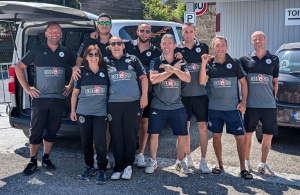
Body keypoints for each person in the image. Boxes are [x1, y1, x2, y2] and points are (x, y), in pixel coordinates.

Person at [15, 22, 75, 175]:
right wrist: (27, 88)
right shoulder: (36, 51)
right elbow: (18, 67)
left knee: (52, 131)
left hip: (59, 99)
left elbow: (77, 68)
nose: (55, 34)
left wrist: (69, 86)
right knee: (36, 131)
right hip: (40, 99)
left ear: (61, 35)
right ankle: (33, 160)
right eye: (51, 31)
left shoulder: (66, 52)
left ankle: (46, 158)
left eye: (57, 31)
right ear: (46, 34)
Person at [199, 36, 252, 180]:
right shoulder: (210, 64)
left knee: (240, 137)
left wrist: (244, 101)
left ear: (227, 48)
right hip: (215, 108)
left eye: (223, 45)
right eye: (217, 45)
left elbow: (244, 83)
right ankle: (220, 165)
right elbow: (202, 81)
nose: (220, 48)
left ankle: (243, 168)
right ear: (213, 48)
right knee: (216, 136)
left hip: (232, 108)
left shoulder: (234, 63)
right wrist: (203, 63)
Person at [145, 34, 191, 175]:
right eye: (164, 43)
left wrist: (174, 69)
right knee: (153, 135)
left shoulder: (182, 61)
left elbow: (187, 78)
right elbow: (153, 79)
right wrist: (169, 70)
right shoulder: (155, 61)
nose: (166, 45)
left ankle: (180, 161)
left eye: (169, 43)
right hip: (158, 105)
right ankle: (153, 161)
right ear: (161, 45)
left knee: (182, 135)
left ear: (174, 45)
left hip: (177, 105)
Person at [105, 36, 148, 180]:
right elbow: (89, 66)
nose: (116, 46)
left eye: (119, 43)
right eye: (113, 44)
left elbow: (143, 78)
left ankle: (128, 166)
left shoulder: (133, 59)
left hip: (133, 103)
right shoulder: (105, 61)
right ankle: (118, 167)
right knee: (116, 135)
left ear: (123, 45)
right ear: (109, 47)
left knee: (130, 135)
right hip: (114, 103)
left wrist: (144, 96)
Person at [76, 13, 112, 170]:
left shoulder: (115, 41)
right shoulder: (89, 41)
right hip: (91, 87)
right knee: (93, 130)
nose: (104, 25)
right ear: (97, 25)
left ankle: (103, 155)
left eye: (107, 22)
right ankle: (96, 157)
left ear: (110, 25)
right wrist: (74, 73)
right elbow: (78, 62)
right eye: (101, 22)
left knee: (106, 128)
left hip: (110, 88)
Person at [239, 31, 279, 177]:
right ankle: (247, 162)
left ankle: (262, 164)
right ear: (252, 42)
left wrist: (272, 99)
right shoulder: (245, 59)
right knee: (247, 134)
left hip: (269, 105)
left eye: (260, 39)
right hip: (251, 105)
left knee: (268, 135)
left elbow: (275, 82)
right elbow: (241, 80)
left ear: (265, 40)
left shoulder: (274, 59)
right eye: (255, 39)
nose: (258, 41)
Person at [174, 22, 210, 173]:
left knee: (203, 128)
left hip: (201, 95)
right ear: (182, 33)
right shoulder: (177, 49)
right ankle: (187, 157)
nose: (188, 34)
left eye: (190, 31)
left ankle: (203, 160)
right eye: (185, 32)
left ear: (195, 31)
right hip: (183, 96)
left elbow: (207, 69)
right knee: (185, 129)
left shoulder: (203, 48)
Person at [124, 23, 162, 168]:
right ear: (137, 32)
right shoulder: (127, 46)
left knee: (144, 124)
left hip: (148, 92)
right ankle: (128, 153)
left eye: (147, 31)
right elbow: (109, 45)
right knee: (129, 123)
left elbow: (167, 58)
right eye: (142, 31)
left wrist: (178, 54)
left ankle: (140, 154)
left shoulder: (156, 51)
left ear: (150, 33)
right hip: (128, 92)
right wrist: (93, 36)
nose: (144, 34)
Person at [70, 45, 109, 184]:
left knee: (100, 142)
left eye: (96, 54)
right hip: (83, 112)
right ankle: (89, 166)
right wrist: (73, 110)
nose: (93, 57)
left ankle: (102, 170)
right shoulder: (80, 72)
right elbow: (75, 93)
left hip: (100, 113)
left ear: (99, 57)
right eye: (90, 54)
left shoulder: (106, 72)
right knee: (86, 142)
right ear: (86, 57)